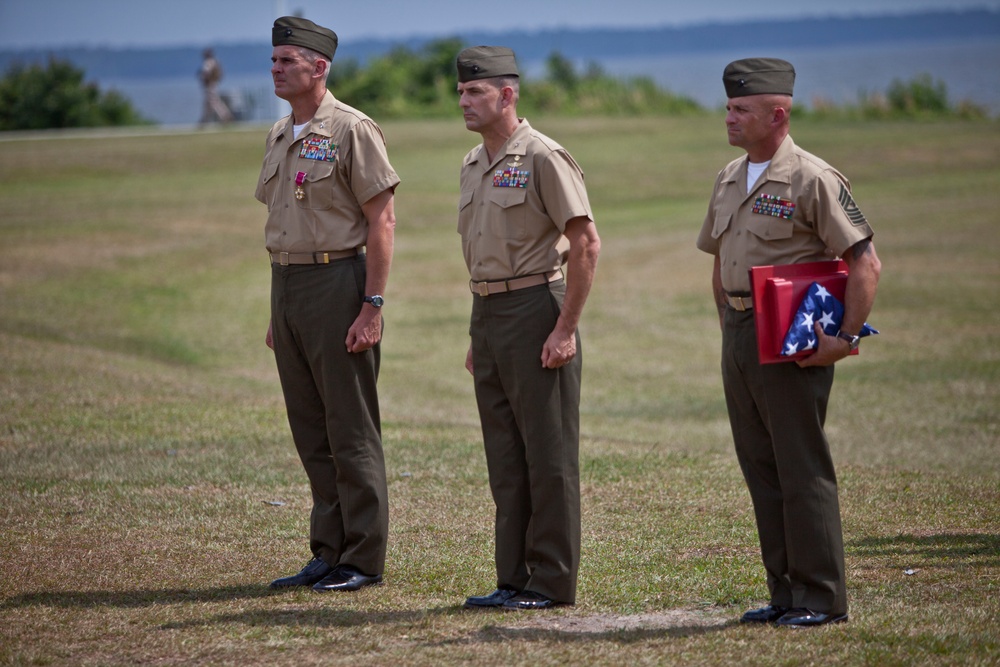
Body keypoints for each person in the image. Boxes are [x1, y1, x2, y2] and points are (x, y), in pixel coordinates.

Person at [696, 58, 882, 627]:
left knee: (801, 467)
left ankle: (821, 597)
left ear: (778, 114)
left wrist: (845, 339)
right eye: (728, 107)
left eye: (741, 109)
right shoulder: (729, 176)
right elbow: (719, 258)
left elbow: (864, 263)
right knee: (761, 465)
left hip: (793, 339)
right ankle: (785, 592)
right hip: (741, 332)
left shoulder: (814, 178)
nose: (729, 116)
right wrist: (729, 323)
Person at [255, 16, 399, 593]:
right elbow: (285, 219)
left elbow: (381, 220)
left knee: (350, 428)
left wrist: (372, 305)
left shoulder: (352, 130)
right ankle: (328, 549)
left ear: (319, 67)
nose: (276, 69)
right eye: (273, 61)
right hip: (288, 287)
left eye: (287, 60)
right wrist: (278, 310)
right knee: (311, 429)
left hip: (339, 283)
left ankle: (362, 557)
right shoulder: (280, 132)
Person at [455, 46, 601, 611]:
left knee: (548, 455)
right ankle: (512, 578)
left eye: (476, 92)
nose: (464, 101)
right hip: (488, 314)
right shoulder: (472, 162)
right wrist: (478, 334)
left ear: (507, 95)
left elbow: (586, 243)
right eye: (462, 92)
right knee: (505, 455)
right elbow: (484, 253)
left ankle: (551, 581)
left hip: (538, 307)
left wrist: (565, 329)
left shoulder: (543, 156)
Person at [198, 48, 233, 125]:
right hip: (214, 83)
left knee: (214, 102)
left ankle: (225, 116)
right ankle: (204, 120)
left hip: (209, 85)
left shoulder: (208, 62)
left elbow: (206, 73)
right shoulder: (215, 62)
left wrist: (201, 76)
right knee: (208, 104)